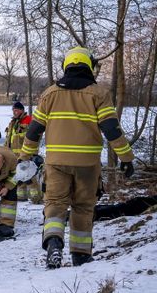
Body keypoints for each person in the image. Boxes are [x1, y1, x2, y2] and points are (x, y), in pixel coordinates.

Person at [19, 46, 135, 268]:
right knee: (83, 206)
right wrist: (126, 157)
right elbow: (111, 129)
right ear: (89, 66)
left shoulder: (49, 93)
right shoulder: (99, 94)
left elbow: (34, 130)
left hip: (56, 163)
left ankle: (53, 242)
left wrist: (25, 157)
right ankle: (80, 255)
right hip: (87, 165)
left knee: (54, 203)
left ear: (66, 66)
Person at [4, 101, 40, 202]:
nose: (14, 112)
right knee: (19, 176)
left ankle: (36, 198)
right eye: (13, 110)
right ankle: (21, 196)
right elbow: (8, 139)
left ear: (22, 110)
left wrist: (32, 153)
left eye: (17, 110)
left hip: (26, 154)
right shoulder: (12, 123)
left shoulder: (28, 120)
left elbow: (34, 137)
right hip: (14, 155)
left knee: (30, 176)